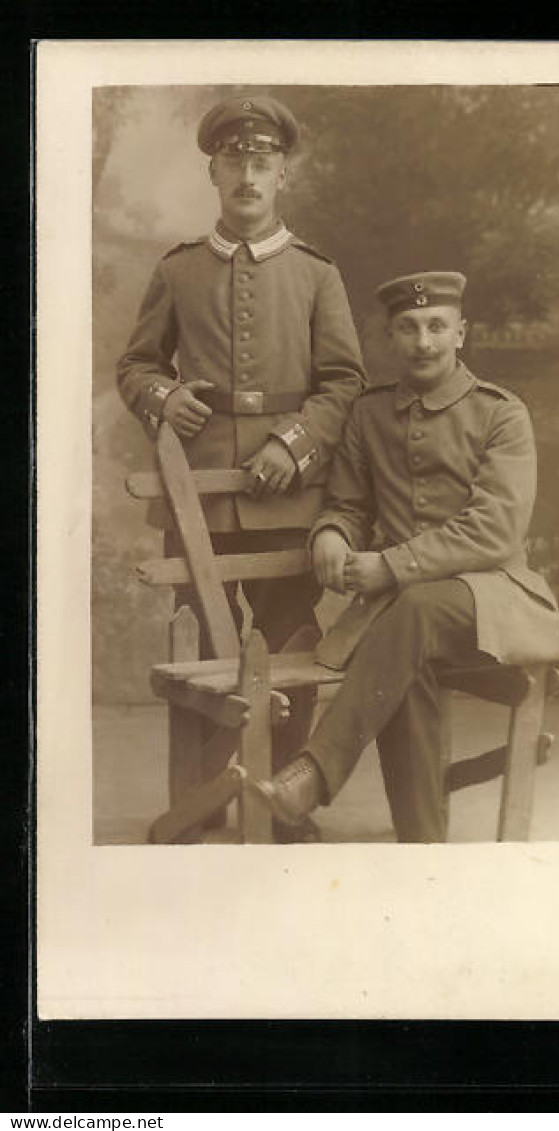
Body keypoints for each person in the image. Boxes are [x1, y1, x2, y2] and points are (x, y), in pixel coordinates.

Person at [117, 93, 366, 841]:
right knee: (199, 641)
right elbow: (135, 365)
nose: (248, 177)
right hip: (198, 494)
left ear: (281, 173)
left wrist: (294, 444)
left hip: (289, 494)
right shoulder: (180, 270)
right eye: (235, 163)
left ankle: (281, 800)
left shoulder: (319, 274)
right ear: (214, 173)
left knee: (290, 637)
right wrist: (164, 398)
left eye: (262, 163)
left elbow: (345, 382)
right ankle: (200, 797)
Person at [252, 271, 559, 842]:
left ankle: (314, 771)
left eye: (437, 326)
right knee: (404, 644)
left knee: (409, 612)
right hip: (407, 620)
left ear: (461, 333)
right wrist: (331, 533)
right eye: (409, 328)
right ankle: (423, 850)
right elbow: (349, 503)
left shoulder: (502, 414)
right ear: (391, 338)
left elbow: (495, 530)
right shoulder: (370, 414)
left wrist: (391, 566)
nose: (424, 341)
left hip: (495, 602)